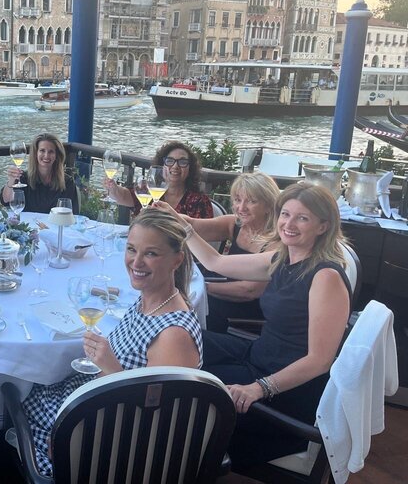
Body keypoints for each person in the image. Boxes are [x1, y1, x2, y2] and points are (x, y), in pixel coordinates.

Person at [157, 182, 350, 467]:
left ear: (323, 226)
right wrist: (181, 225)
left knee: (185, 387)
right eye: (285, 214)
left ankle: (184, 456)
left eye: (302, 217)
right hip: (259, 356)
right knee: (178, 335)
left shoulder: (325, 277)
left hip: (284, 392)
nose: (289, 224)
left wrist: (259, 388)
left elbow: (319, 361)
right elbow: (216, 261)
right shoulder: (283, 258)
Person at [20, 211, 202, 477]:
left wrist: (110, 368)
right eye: (131, 249)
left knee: (15, 398)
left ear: (177, 259)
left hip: (106, 444)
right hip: (90, 407)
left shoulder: (173, 335)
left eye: (151, 253)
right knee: (26, 383)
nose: (136, 261)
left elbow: (157, 425)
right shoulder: (149, 299)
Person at [177, 173, 281, 333]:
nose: (241, 208)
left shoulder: (277, 241)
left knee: (193, 307)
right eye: (238, 200)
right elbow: (193, 225)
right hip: (227, 293)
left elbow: (249, 290)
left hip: (253, 309)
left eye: (252, 201)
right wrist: (168, 214)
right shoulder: (235, 224)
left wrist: (204, 288)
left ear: (269, 205)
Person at [106, 141, 213, 219]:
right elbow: (124, 196)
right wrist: (113, 188)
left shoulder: (199, 201)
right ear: (162, 166)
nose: (175, 166)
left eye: (182, 162)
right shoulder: (150, 190)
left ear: (190, 169)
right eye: (170, 161)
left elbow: (202, 237)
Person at [0, 133, 79, 214]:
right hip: (28, 225)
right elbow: (6, 200)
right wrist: (11, 180)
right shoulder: (24, 179)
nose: (46, 155)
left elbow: (71, 213)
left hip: (56, 225)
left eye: (51, 152)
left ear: (57, 155)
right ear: (35, 153)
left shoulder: (67, 182)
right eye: (42, 150)